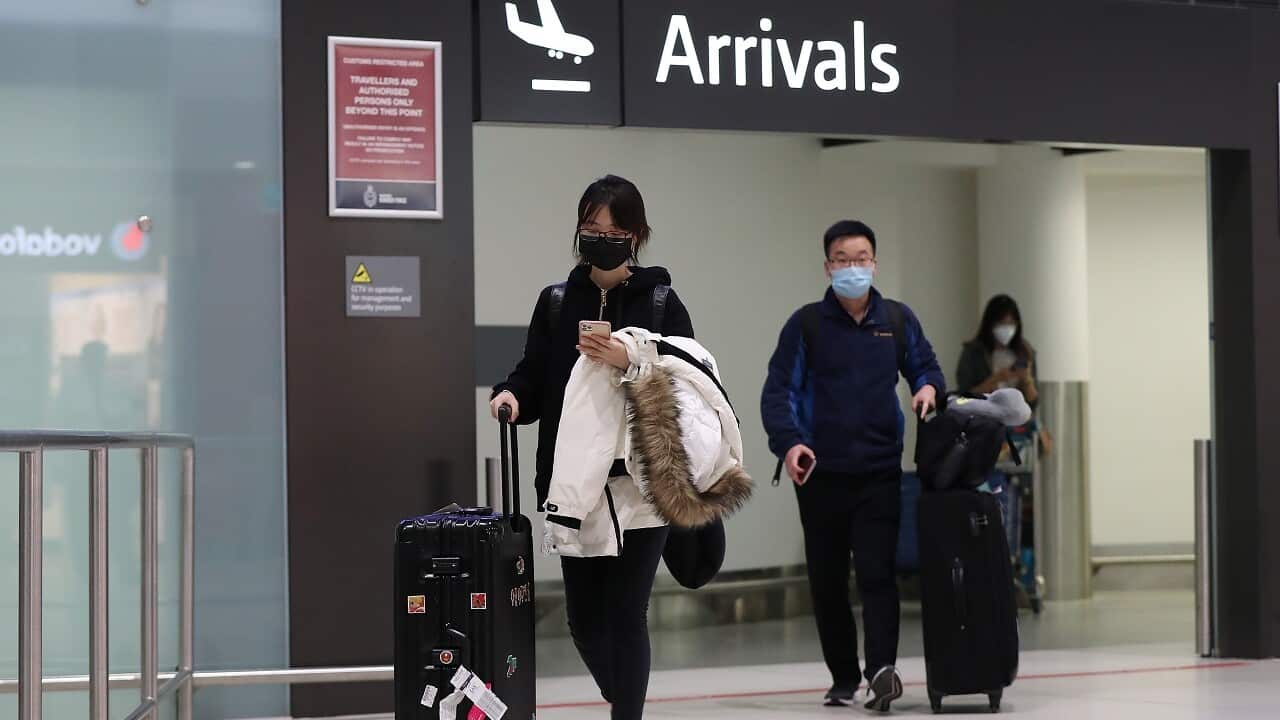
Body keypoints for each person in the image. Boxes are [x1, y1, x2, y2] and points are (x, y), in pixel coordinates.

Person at [490, 175, 695, 720]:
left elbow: (688, 380)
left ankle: (626, 712)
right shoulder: (557, 303)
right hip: (576, 482)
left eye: (614, 231)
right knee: (583, 620)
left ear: (636, 235)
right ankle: (622, 694)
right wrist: (511, 394)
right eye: (591, 228)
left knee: (627, 612)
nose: (601, 239)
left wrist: (630, 358)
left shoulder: (660, 302)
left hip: (643, 483)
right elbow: (534, 374)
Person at [761, 220, 945, 712]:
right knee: (827, 582)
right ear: (828, 267)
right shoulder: (806, 325)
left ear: (875, 264)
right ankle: (843, 677)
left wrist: (927, 388)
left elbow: (925, 366)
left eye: (861, 259)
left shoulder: (897, 320)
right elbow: (779, 392)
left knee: (877, 574)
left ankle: (881, 670)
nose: (853, 268)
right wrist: (790, 445)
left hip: (880, 471)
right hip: (819, 474)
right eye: (842, 260)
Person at [956, 294, 1038, 407]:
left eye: (1011, 323)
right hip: (983, 415)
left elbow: (1033, 403)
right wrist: (995, 379)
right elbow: (962, 399)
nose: (1006, 328)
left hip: (1018, 416)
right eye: (1001, 323)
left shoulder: (1025, 351)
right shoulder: (973, 352)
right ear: (990, 324)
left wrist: (1026, 380)